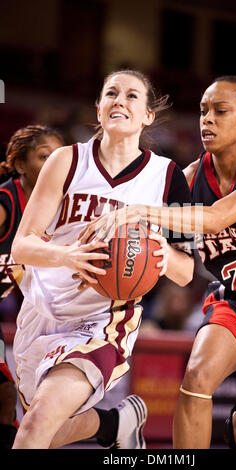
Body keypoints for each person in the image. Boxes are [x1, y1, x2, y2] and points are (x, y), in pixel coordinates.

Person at [85, 75, 236, 449]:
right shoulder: (190, 178)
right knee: (196, 380)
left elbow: (217, 217)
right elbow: (180, 263)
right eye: (202, 111)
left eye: (220, 111)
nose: (207, 120)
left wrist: (140, 211)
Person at [11, 70, 194, 449]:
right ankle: (114, 422)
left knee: (34, 429)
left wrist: (158, 248)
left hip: (102, 321)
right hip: (41, 312)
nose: (120, 101)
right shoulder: (65, 160)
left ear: (146, 116)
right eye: (112, 93)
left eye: (132, 96)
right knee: (36, 430)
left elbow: (186, 272)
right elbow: (22, 246)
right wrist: (68, 255)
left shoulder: (167, 178)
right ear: (99, 108)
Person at [0, 125, 63, 449]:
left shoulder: (56, 212)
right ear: (21, 166)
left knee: (4, 395)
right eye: (43, 156)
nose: (53, 163)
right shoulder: (5, 201)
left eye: (58, 156)